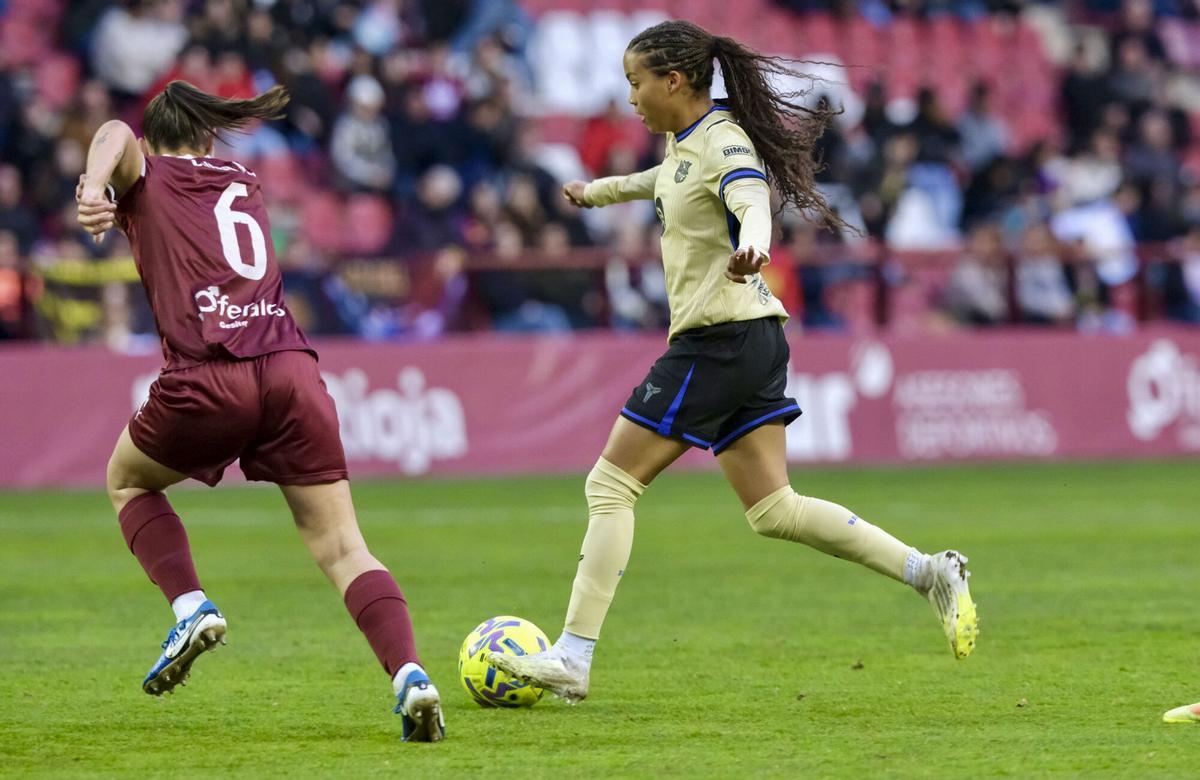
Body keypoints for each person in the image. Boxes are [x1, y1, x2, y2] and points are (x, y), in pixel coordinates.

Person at [489, 20, 979, 704]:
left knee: (610, 486)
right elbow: (663, 179)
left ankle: (572, 654)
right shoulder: (683, 142)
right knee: (775, 509)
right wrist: (596, 191)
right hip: (751, 338)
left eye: (636, 83)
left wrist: (755, 244)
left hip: (717, 339)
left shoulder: (724, 142)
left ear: (675, 80)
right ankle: (930, 572)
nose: (629, 97)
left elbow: (750, 199)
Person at [74, 81, 444, 742]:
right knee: (342, 546)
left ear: (155, 144)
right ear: (211, 138)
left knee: (126, 480)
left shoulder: (148, 173)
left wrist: (96, 184)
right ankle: (412, 675)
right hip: (292, 369)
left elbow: (115, 135)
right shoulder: (244, 179)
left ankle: (190, 606)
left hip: (209, 372)